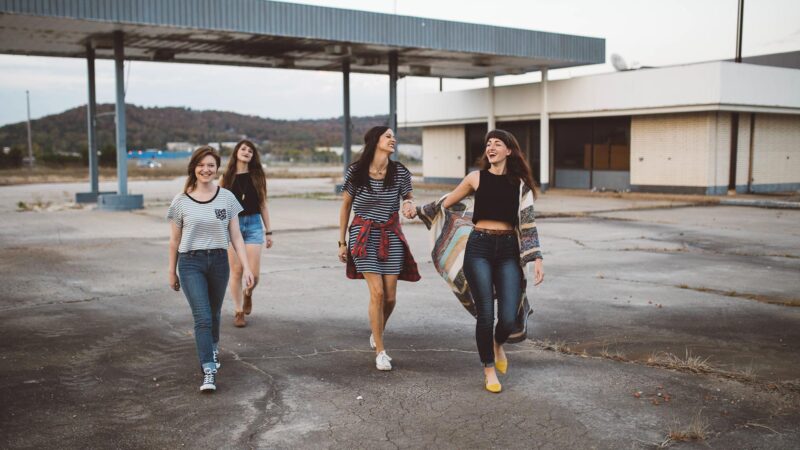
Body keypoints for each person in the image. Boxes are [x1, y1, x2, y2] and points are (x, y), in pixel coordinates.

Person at [433, 129, 544, 393]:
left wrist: (537, 258)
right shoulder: (475, 178)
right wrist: (421, 210)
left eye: (497, 144)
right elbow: (447, 202)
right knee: (486, 314)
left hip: (508, 251)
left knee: (508, 318)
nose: (491, 148)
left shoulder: (520, 185)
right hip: (479, 247)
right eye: (488, 144)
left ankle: (497, 343)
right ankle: (489, 370)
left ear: (509, 150)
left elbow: (528, 224)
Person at [167, 146, 255, 392]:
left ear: (217, 169)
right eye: (201, 165)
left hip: (218, 261)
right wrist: (171, 271)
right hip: (190, 263)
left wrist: (247, 267)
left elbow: (236, 236)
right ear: (193, 168)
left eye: (210, 165)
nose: (205, 169)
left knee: (214, 314)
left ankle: (212, 348)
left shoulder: (227, 197)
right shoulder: (181, 201)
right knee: (203, 317)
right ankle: (208, 369)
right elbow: (174, 240)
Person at [337, 126, 420, 371]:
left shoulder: (400, 172)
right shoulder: (356, 171)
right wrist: (342, 242)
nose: (393, 139)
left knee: (390, 297)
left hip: (391, 235)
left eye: (393, 136)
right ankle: (380, 351)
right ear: (375, 140)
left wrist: (408, 205)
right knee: (378, 293)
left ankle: (377, 330)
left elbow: (408, 197)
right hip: (362, 236)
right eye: (388, 136)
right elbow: (345, 207)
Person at [219, 140, 273, 328]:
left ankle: (248, 293)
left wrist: (269, 231)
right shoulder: (226, 177)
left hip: (253, 226)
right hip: (232, 226)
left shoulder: (258, 176)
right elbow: (220, 205)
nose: (246, 152)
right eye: (243, 149)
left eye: (250, 150)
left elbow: (263, 205)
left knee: (254, 275)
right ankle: (238, 311)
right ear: (236, 152)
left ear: (253, 156)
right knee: (236, 271)